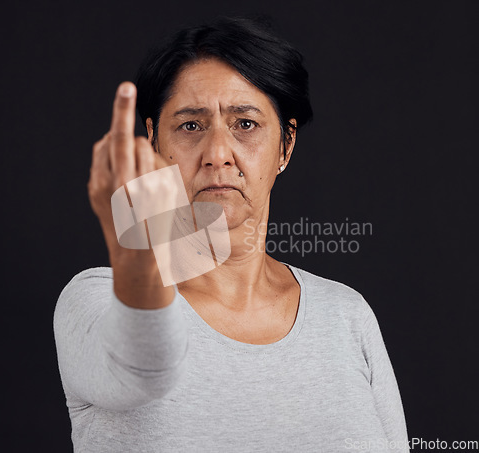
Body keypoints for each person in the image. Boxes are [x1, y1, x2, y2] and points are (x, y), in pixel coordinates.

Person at [54, 16, 410, 452]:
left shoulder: (346, 316)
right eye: (190, 125)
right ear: (152, 140)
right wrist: (135, 237)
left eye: (245, 124)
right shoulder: (97, 301)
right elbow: (145, 365)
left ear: (286, 146)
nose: (218, 153)